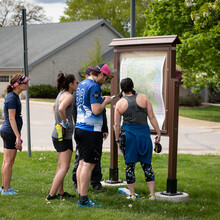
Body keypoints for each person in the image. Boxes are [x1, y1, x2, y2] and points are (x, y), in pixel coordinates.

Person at [114, 77, 161, 201]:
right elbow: (152, 117)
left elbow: (117, 125)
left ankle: (132, 195)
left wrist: (117, 140)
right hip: (144, 135)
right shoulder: (144, 98)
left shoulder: (120, 103)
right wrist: (158, 132)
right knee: (147, 165)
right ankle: (152, 195)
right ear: (133, 86)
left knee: (129, 166)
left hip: (128, 137)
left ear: (122, 89)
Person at [74, 63, 113, 207]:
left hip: (79, 128)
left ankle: (81, 195)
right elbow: (96, 111)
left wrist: (99, 100)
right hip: (90, 130)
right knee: (88, 165)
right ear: (101, 74)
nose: (105, 82)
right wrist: (106, 102)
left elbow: (87, 104)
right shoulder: (94, 86)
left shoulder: (82, 84)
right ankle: (83, 199)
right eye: (106, 78)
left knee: (82, 162)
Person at [46, 72, 78, 201]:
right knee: (64, 167)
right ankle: (51, 195)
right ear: (70, 84)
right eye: (76, 82)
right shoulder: (69, 96)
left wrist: (58, 121)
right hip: (64, 136)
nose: (77, 84)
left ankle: (60, 192)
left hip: (57, 134)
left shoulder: (61, 93)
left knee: (60, 166)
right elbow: (61, 109)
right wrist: (64, 122)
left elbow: (55, 106)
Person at [0, 74, 30, 195]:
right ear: (18, 84)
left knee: (7, 161)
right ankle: (6, 190)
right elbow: (12, 119)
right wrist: (18, 136)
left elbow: (16, 119)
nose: (27, 84)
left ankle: (4, 187)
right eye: (25, 82)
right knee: (8, 162)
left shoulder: (14, 96)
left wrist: (19, 135)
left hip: (10, 131)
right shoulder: (12, 98)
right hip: (9, 132)